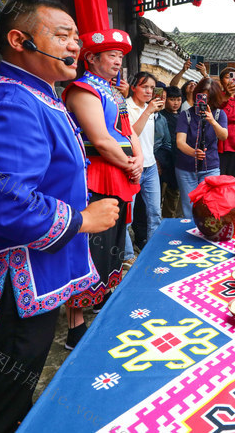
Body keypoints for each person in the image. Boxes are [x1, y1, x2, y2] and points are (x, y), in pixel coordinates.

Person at [0, 0, 119, 432]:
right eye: (62, 35)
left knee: (8, 398)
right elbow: (7, 203)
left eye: (76, 36)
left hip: (29, 284)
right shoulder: (11, 102)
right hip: (8, 291)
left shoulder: (36, 96)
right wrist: (82, 220)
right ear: (19, 40)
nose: (75, 45)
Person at [63, 28, 142, 347]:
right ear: (91, 58)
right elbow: (100, 139)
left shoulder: (116, 93)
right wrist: (129, 163)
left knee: (112, 240)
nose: (118, 62)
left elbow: (128, 131)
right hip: (93, 176)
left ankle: (99, 296)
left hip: (119, 175)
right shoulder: (82, 89)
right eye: (111, 56)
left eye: (120, 57)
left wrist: (138, 159)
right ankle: (75, 324)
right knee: (89, 246)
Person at [175, 77, 229, 218]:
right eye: (202, 97)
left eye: (209, 98)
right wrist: (193, 153)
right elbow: (180, 142)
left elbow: (223, 136)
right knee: (189, 206)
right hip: (186, 168)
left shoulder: (219, 114)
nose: (205, 102)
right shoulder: (185, 115)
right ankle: (190, 235)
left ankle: (207, 235)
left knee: (210, 205)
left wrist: (212, 120)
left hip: (210, 166)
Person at [126, 72, 165, 249]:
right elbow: (130, 135)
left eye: (152, 87)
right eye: (145, 86)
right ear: (134, 87)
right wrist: (148, 111)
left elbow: (150, 140)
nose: (149, 91)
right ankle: (126, 255)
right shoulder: (125, 107)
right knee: (128, 215)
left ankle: (153, 248)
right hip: (131, 167)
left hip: (150, 167)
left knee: (155, 212)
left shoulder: (151, 109)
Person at [156, 85, 183, 219]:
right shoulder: (159, 116)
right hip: (161, 162)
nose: (176, 103)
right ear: (165, 100)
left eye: (178, 99)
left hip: (176, 163)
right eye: (172, 99)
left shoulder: (183, 117)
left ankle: (169, 224)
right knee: (157, 197)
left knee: (173, 198)